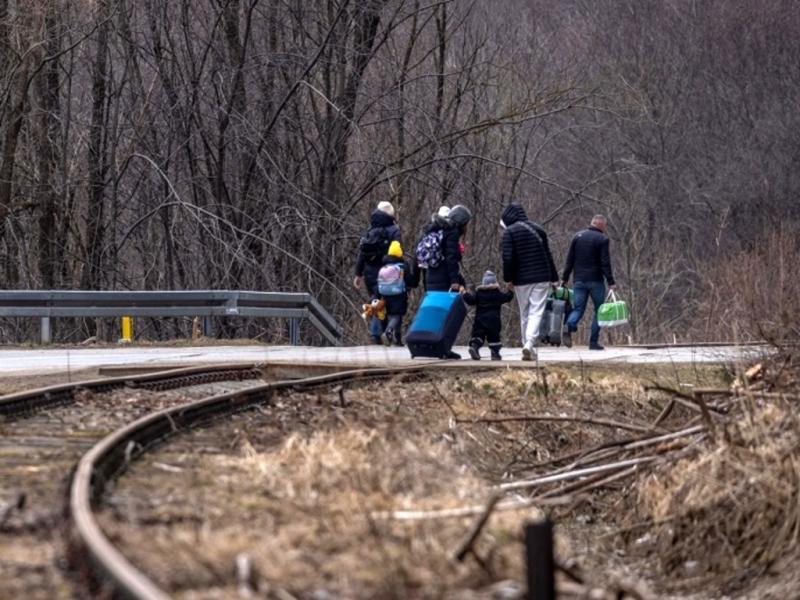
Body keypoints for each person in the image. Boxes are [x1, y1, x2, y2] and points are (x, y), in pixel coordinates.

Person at [500, 202, 559, 361]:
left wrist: (508, 278)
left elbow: (508, 258)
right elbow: (548, 255)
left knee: (524, 312)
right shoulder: (539, 230)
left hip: (521, 279)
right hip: (542, 277)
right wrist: (554, 278)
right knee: (536, 311)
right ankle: (530, 345)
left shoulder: (509, 233)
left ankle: (527, 344)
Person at [560, 215, 616, 350]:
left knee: (578, 308)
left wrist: (565, 278)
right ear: (601, 225)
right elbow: (605, 262)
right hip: (596, 281)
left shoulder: (577, 236)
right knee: (599, 311)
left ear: (592, 223)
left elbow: (570, 259)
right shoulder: (602, 239)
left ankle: (570, 324)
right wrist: (610, 281)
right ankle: (593, 342)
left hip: (579, 280)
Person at [353, 201, 401, 344]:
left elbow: (362, 254)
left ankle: (378, 334)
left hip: (370, 274)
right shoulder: (394, 230)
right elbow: (397, 252)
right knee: (388, 302)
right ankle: (383, 333)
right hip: (388, 272)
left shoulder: (370, 230)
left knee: (376, 300)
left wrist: (358, 274)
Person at [462, 270, 514, 361]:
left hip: (480, 320)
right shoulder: (497, 293)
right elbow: (507, 297)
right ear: (495, 282)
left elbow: (470, 301)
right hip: (494, 321)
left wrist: (464, 293)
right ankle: (495, 353)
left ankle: (475, 347)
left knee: (478, 335)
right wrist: (510, 291)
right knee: (494, 338)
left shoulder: (478, 294)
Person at [377, 241, 419, 346]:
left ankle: (397, 340)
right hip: (399, 295)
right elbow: (411, 282)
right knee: (397, 315)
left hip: (385, 295)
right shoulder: (403, 267)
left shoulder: (384, 266)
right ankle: (389, 331)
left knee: (392, 315)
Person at [423, 204, 472, 292]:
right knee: (453, 305)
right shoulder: (452, 232)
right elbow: (451, 258)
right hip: (444, 279)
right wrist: (455, 280)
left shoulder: (437, 229)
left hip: (430, 276)